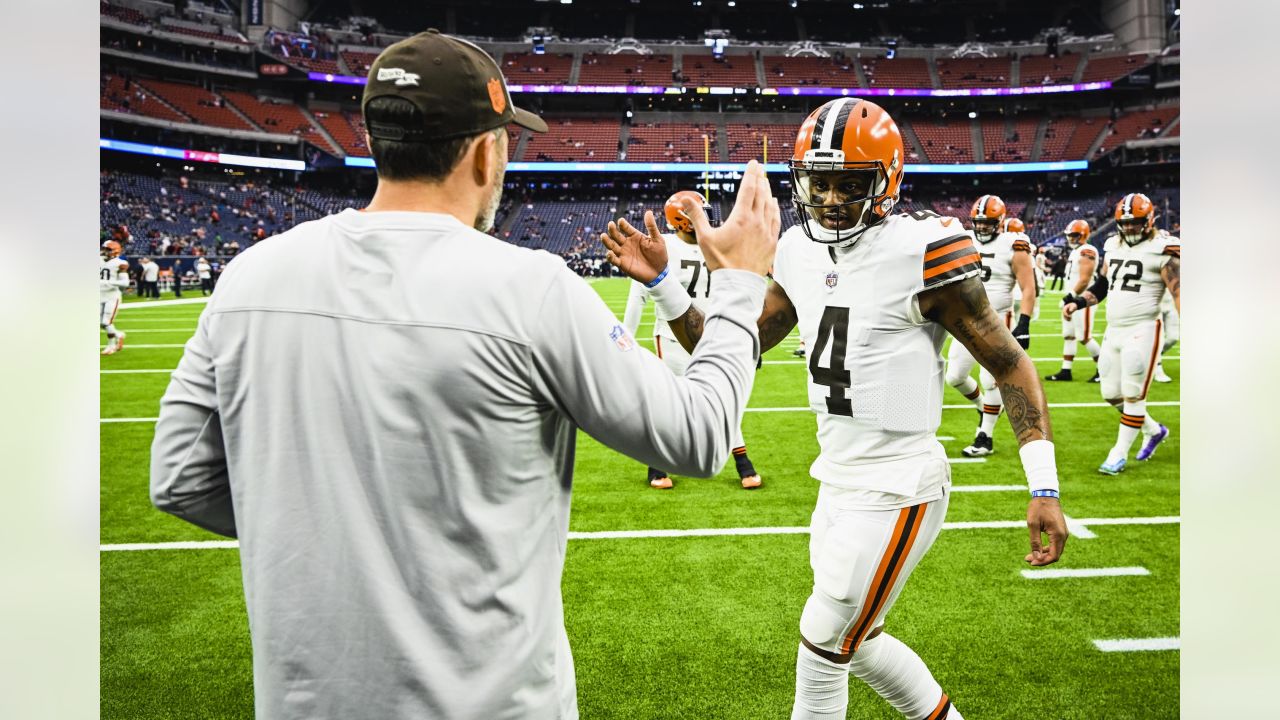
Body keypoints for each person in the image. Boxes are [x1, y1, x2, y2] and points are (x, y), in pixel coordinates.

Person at [150, 30, 780, 720]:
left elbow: (181, 475)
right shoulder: (528, 287)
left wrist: (338, 532)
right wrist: (743, 284)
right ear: (486, 151)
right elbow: (698, 438)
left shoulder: (250, 276)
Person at [604, 98, 1067, 720]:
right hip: (836, 479)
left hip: (901, 481)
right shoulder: (796, 249)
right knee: (860, 643)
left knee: (823, 645)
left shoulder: (924, 250)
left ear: (887, 179)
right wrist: (663, 284)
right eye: (817, 182)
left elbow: (1009, 363)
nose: (828, 199)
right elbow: (734, 340)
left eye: (848, 183)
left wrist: (1044, 485)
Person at [622, 189, 764, 490]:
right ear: (682, 220)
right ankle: (657, 464)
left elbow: (735, 293)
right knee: (669, 402)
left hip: (710, 335)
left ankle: (742, 462)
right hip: (672, 337)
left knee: (723, 397)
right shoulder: (665, 247)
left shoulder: (714, 245)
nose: (708, 218)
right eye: (699, 212)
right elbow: (638, 297)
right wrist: (627, 340)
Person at [1064, 192, 1179, 474]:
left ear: (1149, 220)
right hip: (1114, 329)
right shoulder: (1112, 244)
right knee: (1110, 392)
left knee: (1132, 393)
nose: (1129, 228)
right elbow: (1104, 284)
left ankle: (1118, 453)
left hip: (1144, 326)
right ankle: (1153, 430)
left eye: (1135, 222)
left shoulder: (1164, 248)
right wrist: (1079, 302)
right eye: (1124, 223)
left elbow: (1178, 290)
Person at [944, 195, 1036, 458]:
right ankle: (982, 406)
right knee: (955, 377)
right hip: (965, 320)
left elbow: (1028, 287)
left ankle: (985, 436)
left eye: (988, 223)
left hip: (997, 320)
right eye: (979, 223)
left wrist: (1025, 322)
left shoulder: (1013, 244)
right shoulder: (965, 239)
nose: (982, 228)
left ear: (1001, 222)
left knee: (991, 380)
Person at [1045, 219, 1101, 382]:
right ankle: (1066, 371)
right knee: (1069, 335)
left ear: (1084, 234)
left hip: (1084, 300)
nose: (1071, 238)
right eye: (1070, 235)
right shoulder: (1077, 251)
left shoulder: (1087, 250)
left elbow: (1085, 279)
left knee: (1084, 336)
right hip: (1073, 301)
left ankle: (1104, 370)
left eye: (1075, 235)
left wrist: (1070, 296)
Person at [99, 241, 130, 355]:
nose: (104, 251)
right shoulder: (99, 260)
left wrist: (107, 282)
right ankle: (117, 337)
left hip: (112, 296)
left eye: (107, 249)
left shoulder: (120, 263)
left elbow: (125, 283)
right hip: (100, 295)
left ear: (114, 251)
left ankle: (112, 344)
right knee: (101, 323)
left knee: (106, 322)